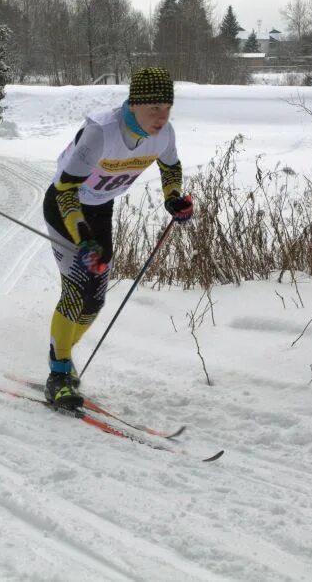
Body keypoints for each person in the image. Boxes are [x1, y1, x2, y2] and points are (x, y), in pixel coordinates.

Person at [41, 66, 193, 409]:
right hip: (66, 207)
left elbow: (170, 167)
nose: (161, 115)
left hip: (100, 210)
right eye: (153, 107)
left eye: (167, 106)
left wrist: (173, 198)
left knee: (94, 301)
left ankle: (61, 352)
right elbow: (65, 189)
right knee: (76, 287)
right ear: (134, 103)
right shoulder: (102, 132)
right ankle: (59, 373)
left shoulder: (164, 133)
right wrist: (81, 236)